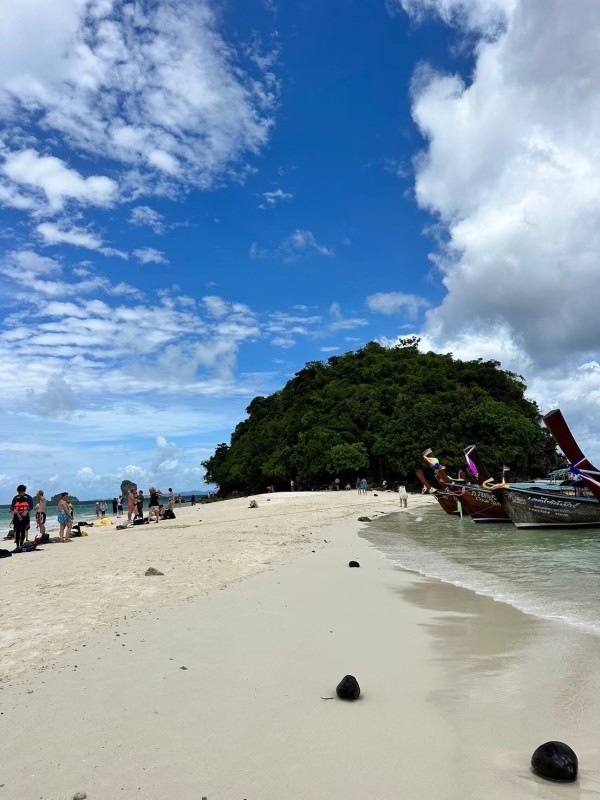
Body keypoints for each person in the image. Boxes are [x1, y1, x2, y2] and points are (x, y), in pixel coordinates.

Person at [11, 484, 33, 550]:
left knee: (23, 530)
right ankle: (17, 545)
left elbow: (31, 506)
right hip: (17, 516)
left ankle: (21, 544)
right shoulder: (15, 498)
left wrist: (26, 511)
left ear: (24, 491)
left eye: (21, 492)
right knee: (17, 530)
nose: (19, 493)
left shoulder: (28, 498)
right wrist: (14, 510)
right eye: (18, 492)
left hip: (25, 516)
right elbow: (12, 506)